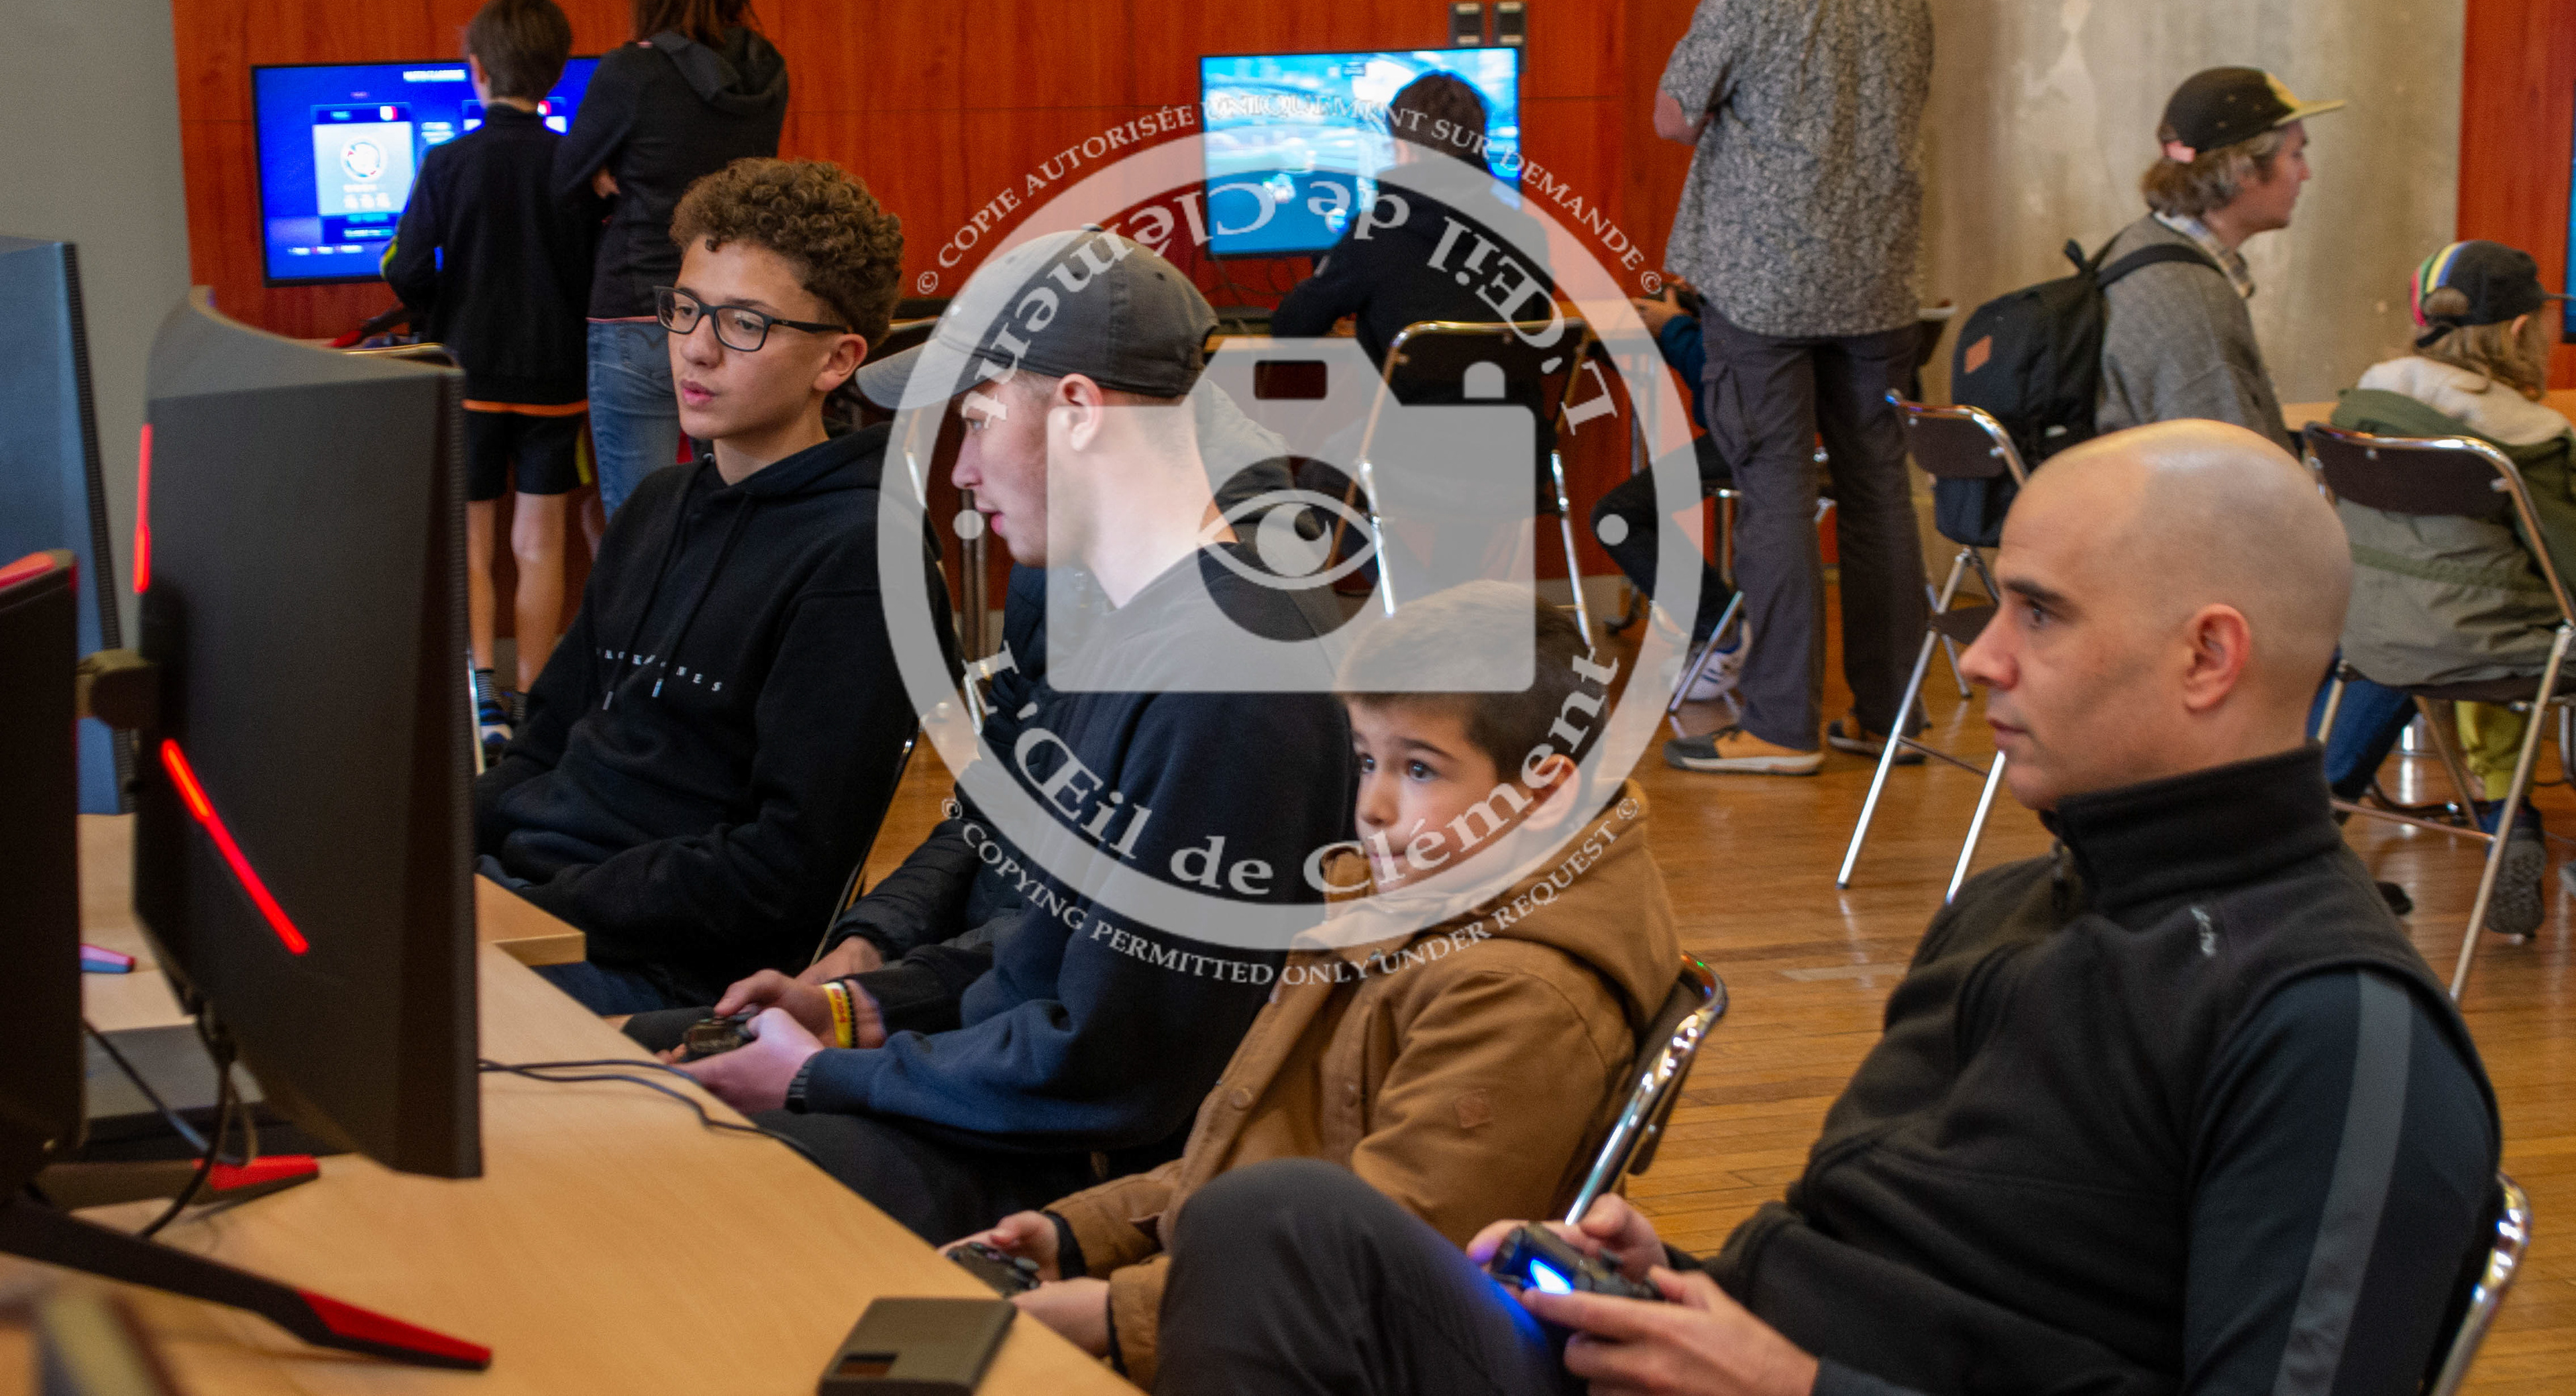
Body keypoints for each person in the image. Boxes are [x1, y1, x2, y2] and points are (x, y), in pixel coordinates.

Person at [1147, 421, 2500, 1396]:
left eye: (2038, 614)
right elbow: (1879, 1263)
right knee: (1279, 1225)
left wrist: (1793, 1382)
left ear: (2208, 655)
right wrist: (1675, 1283)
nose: (1983, 657)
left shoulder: (2333, 1023)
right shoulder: (2010, 907)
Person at [671, 232, 1354, 1244]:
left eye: (980, 420)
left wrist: (824, 1075)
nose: (960, 471)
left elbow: (1108, 1069)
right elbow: (1042, 953)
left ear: (1079, 411)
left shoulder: (1228, 681)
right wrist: (857, 1009)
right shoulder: (1121, 620)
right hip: (1007, 1096)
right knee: (635, 1088)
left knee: (672, 1179)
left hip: (1080, 1176)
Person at [947, 584, 1680, 1385]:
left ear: (1543, 794)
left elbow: (1388, 1254)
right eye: (1367, 760)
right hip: (1262, 1300)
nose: (1374, 805)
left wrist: (1114, 1313)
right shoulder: (1409, 906)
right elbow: (1263, 1144)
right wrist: (1081, 1234)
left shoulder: (1517, 994)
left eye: (1420, 768)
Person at [478, 157, 924, 1013]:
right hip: (533, 905)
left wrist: (542, 911)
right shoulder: (657, 504)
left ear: (837, 360)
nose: (697, 347)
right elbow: (543, 745)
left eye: (744, 323)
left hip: (660, 968)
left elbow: (780, 873)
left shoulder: (862, 558)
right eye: (685, 309)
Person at [1650, 0, 1933, 777]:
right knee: (1878, 491)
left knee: (1774, 490)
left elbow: (1673, 115)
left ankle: (1778, 726)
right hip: (1878, 277)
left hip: (1764, 284)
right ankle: (1890, 715)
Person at [2315, 239, 2572, 936]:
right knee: (2522, 624)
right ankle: (2508, 818)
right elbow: (2568, 571)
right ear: (2521, 330)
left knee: (2437, 613)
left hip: (2371, 632)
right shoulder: (2529, 438)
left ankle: (2300, 829)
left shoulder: (2362, 407)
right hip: (2494, 646)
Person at [381, 0, 598, 759]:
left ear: (476, 70)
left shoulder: (446, 162)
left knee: (473, 542)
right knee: (541, 543)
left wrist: (441, 310)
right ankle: (534, 699)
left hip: (468, 378)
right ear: (557, 72)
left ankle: (485, 702)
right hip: (556, 381)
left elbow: (405, 266)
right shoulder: (577, 166)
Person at [557, 0, 790, 518]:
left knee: (640, 524)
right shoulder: (769, 71)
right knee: (733, 513)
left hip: (636, 312)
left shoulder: (631, 73)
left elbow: (562, 183)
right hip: (733, 315)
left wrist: (603, 181)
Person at [2094, 66, 2342, 453]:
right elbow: (2233, 474)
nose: (2306, 173)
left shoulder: (2138, 243)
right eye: (2296, 155)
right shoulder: (2196, 305)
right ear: (2244, 170)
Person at [1271, 70, 1549, 364]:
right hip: (1511, 397)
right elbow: (1538, 329)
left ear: (1403, 151)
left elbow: (1290, 328)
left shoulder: (1372, 237)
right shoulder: (1528, 233)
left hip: (1401, 397)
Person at [1589, 284, 1739, 703]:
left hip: (1753, 437)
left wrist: (1674, 328)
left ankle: (1722, 636)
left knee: (1617, 516)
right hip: (1757, 432)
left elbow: (1722, 384)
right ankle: (1722, 626)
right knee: (1623, 514)